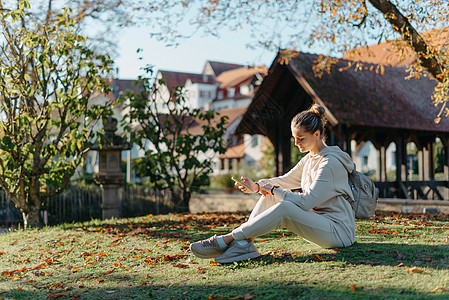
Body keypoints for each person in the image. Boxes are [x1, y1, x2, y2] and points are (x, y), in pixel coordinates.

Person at [190, 104, 356, 263]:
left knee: (284, 206)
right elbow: (284, 180)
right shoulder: (309, 159)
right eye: (294, 138)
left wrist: (275, 190)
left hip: (338, 232)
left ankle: (228, 239)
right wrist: (257, 186)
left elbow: (307, 201)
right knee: (271, 195)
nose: (296, 143)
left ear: (317, 134)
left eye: (301, 138)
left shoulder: (330, 163)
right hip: (319, 224)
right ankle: (243, 244)